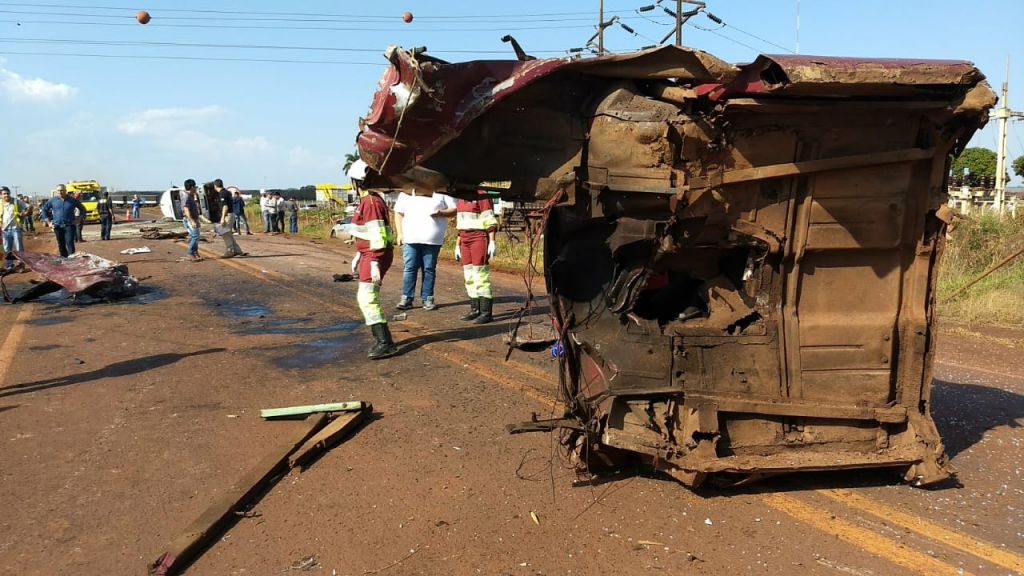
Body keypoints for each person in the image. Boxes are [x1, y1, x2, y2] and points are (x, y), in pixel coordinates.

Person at [344, 160, 398, 359]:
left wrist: (374, 260)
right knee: (366, 298)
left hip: (375, 254)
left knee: (367, 298)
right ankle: (383, 340)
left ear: (357, 181)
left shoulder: (371, 202)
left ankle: (385, 342)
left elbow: (379, 234)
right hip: (370, 254)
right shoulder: (369, 201)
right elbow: (369, 233)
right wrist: (360, 252)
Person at [393, 189, 456, 311]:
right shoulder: (406, 192)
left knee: (428, 269)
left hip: (432, 240)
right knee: (410, 267)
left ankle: (427, 298)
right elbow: (398, 213)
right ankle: (406, 297)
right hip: (410, 238)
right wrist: (399, 233)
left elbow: (454, 209)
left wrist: (440, 213)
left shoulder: (441, 192)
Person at [455, 193, 498, 324]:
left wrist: (492, 241)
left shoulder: (482, 195)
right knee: (469, 276)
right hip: (464, 238)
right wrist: (457, 244)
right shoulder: (461, 197)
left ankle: (486, 313)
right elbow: (460, 223)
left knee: (480, 275)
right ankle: (475, 310)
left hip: (478, 237)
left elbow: (489, 218)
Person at [42, 184, 86, 257]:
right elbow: (44, 209)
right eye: (58, 190)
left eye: (62, 190)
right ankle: (64, 259)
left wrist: (79, 218)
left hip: (69, 226)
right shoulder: (53, 200)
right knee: (61, 244)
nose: (60, 192)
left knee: (70, 243)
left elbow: (83, 209)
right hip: (57, 226)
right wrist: (48, 221)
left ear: (66, 191)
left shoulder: (72, 200)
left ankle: (71, 260)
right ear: (56, 191)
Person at [214, 179, 245, 258]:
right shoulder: (227, 192)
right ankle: (238, 250)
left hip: (227, 215)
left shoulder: (222, 194)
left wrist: (222, 218)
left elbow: (225, 206)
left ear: (215, 186)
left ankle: (230, 251)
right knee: (229, 234)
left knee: (225, 234)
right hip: (232, 214)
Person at [0, 187, 27, 271]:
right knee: (7, 249)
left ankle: (20, 265)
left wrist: (23, 213)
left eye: (8, 193)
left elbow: (27, 207)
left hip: (15, 229)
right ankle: (10, 266)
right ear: (0, 195)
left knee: (19, 248)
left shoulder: (16, 201)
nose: (6, 195)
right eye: (4, 194)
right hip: (4, 230)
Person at [180, 179, 202, 262]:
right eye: (195, 186)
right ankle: (190, 253)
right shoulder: (186, 197)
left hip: (194, 219)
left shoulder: (190, 196)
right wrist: (192, 221)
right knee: (195, 236)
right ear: (192, 187)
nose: (196, 188)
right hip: (190, 220)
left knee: (196, 237)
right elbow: (186, 210)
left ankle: (195, 253)